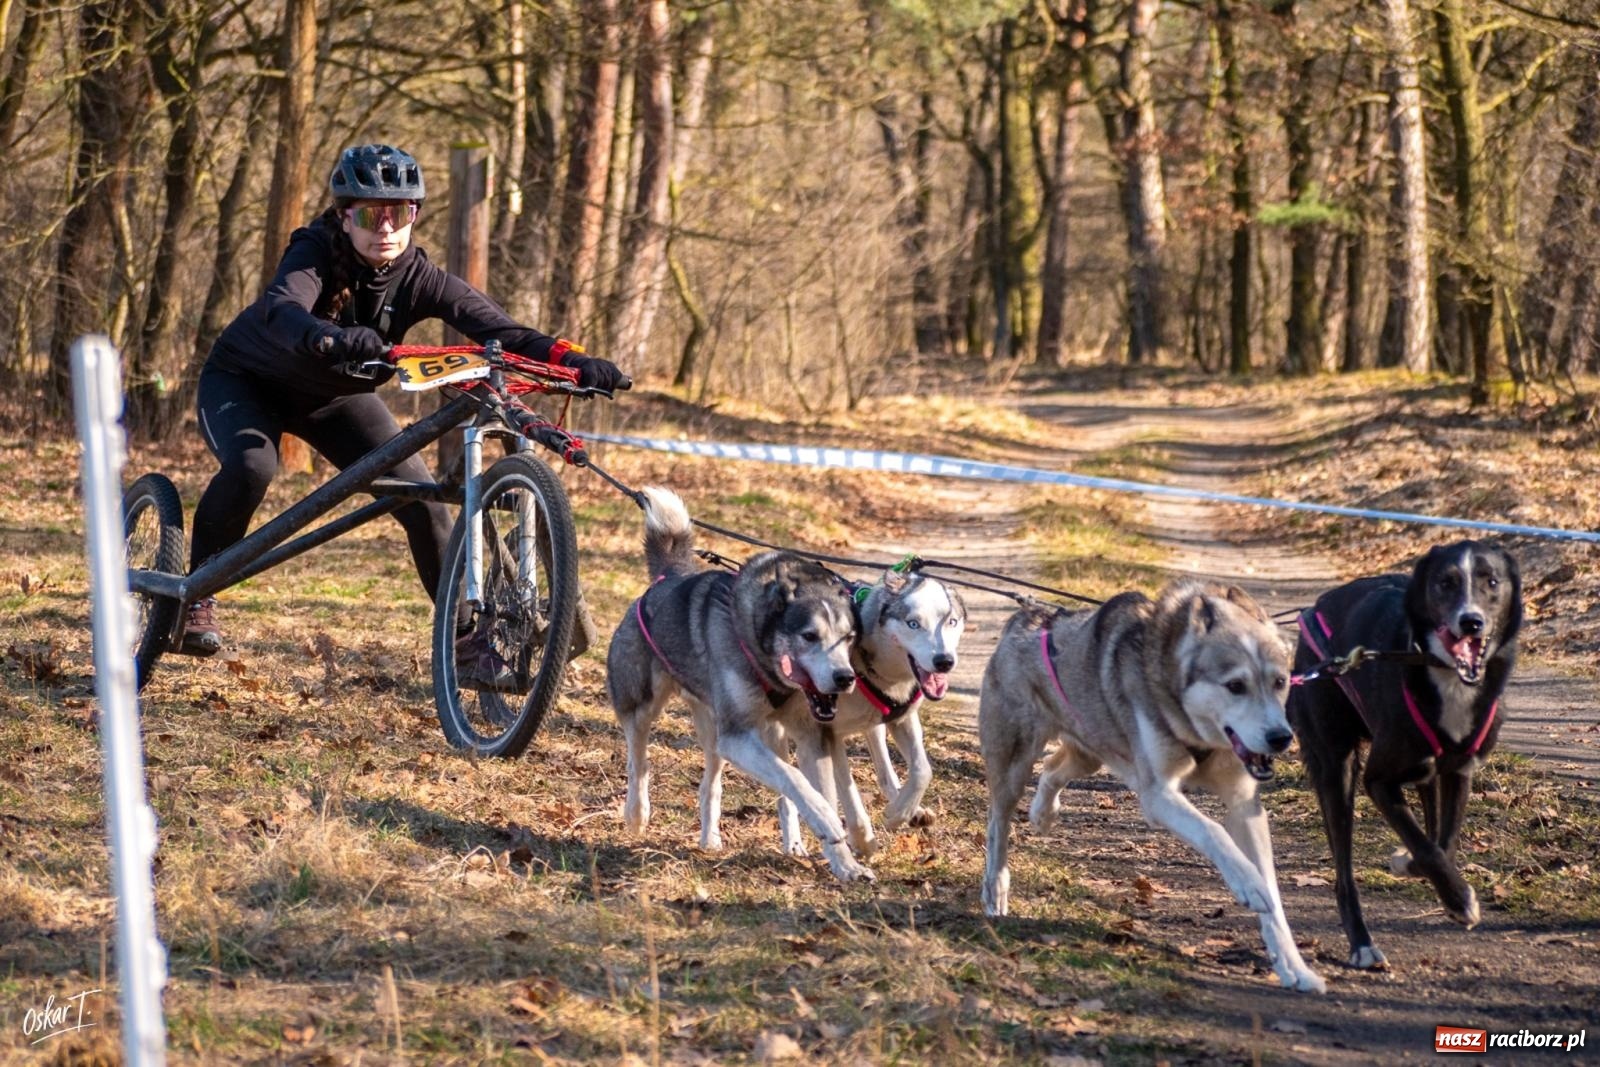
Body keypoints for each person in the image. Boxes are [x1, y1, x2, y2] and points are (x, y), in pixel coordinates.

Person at [183, 143, 625, 680]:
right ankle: (196, 593)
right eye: (372, 214)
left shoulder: (419, 276)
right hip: (246, 382)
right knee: (254, 466)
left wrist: (575, 363)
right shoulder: (313, 250)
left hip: (336, 399)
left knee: (424, 504)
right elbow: (282, 310)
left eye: (401, 213)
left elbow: (501, 331)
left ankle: (464, 644)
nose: (386, 226)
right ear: (346, 216)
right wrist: (329, 338)